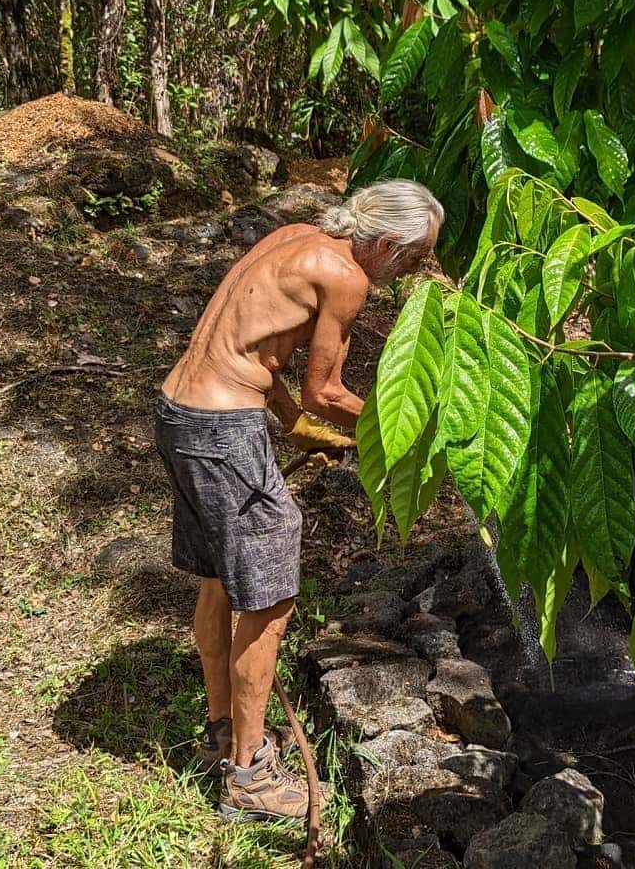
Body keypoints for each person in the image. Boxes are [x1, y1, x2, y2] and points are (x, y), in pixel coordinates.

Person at [156, 178, 444, 821]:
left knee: (220, 581)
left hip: (180, 412)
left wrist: (293, 425)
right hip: (223, 432)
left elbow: (259, 355)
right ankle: (249, 777)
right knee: (272, 597)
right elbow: (327, 391)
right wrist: (411, 430)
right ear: (389, 242)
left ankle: (223, 731)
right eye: (415, 259)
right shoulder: (347, 276)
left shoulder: (293, 237)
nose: (413, 274)